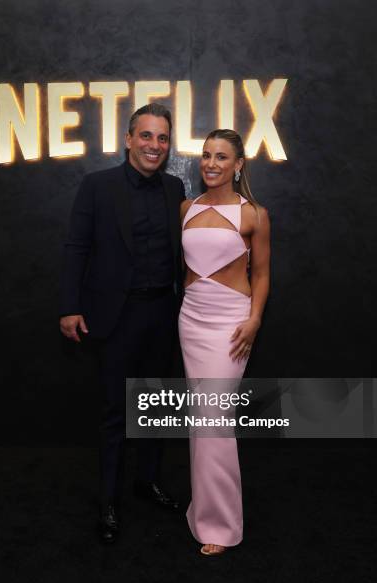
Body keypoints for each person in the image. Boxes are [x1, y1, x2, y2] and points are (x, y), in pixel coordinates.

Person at [60, 103, 185, 544]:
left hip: (163, 314)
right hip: (115, 316)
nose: (155, 145)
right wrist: (69, 306)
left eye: (163, 138)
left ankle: (146, 482)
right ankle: (108, 500)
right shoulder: (97, 186)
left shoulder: (176, 187)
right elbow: (77, 247)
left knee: (155, 408)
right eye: (147, 136)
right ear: (128, 139)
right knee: (116, 412)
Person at [178, 129, 270, 555]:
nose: (211, 163)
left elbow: (262, 274)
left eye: (221, 157)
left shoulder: (253, 213)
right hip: (191, 319)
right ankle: (203, 510)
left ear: (238, 165)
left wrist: (254, 321)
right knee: (202, 420)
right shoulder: (186, 207)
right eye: (205, 155)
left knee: (214, 420)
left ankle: (221, 525)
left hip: (231, 323)